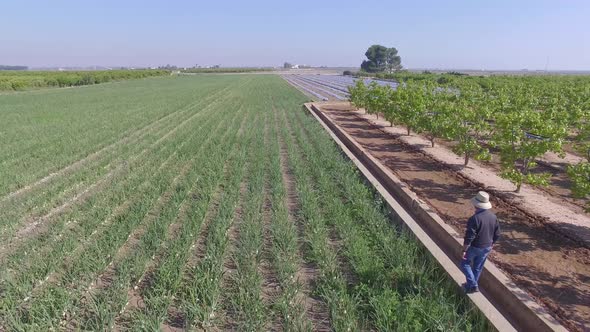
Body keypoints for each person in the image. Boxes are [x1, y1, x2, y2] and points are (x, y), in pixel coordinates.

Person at [460, 191, 500, 294]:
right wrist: (492, 243)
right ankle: (470, 286)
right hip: (487, 247)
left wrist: (464, 249)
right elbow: (497, 233)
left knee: (465, 264)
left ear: (476, 204)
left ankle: (473, 284)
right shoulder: (493, 217)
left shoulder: (474, 219)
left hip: (475, 246)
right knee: (478, 267)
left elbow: (470, 236)